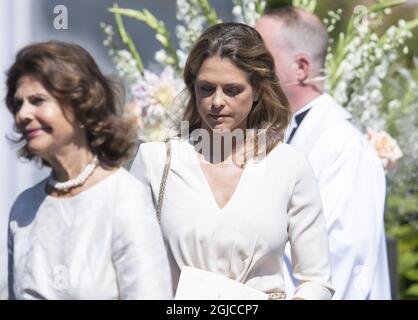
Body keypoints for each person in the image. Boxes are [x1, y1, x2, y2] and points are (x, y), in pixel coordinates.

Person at [131, 22, 334, 300]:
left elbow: (317, 279)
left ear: (258, 90)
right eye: (206, 88)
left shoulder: (289, 167)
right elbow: (124, 264)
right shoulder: (156, 161)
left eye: (232, 90)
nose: (216, 102)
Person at [4, 41, 172, 299]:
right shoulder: (24, 208)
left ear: (81, 104)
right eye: (19, 104)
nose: (22, 115)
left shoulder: (124, 199)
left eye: (38, 100)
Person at [256, 7, 391, 299]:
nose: (245, 66)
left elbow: (344, 258)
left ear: (301, 68)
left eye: (260, 56)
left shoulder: (343, 146)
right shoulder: (276, 133)